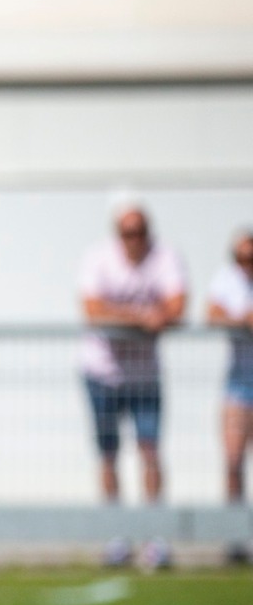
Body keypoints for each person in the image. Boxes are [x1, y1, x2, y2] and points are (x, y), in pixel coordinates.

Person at [79, 202, 186, 567]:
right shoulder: (98, 259)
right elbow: (92, 309)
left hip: (145, 376)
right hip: (102, 373)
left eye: (139, 232)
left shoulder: (166, 258)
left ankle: (154, 536)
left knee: (150, 450)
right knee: (108, 453)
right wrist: (141, 316)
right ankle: (117, 536)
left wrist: (158, 315)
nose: (133, 240)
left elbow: (177, 305)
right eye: (127, 233)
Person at [205, 229, 253, 563]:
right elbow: (212, 314)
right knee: (233, 459)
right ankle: (235, 538)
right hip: (238, 384)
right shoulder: (227, 279)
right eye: (241, 258)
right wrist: (242, 320)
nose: (246, 264)